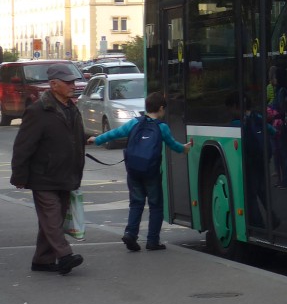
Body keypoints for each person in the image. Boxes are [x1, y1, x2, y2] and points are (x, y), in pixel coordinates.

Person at [89, 90, 192, 251]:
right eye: (164, 108)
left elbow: (115, 133)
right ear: (160, 109)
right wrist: (184, 149)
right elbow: (173, 145)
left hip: (134, 171)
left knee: (136, 204)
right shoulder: (162, 127)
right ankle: (152, 241)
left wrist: (97, 139)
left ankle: (130, 233)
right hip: (151, 172)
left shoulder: (134, 123)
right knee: (156, 205)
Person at [10, 63, 86, 274]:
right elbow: (23, 146)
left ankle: (42, 260)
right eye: (68, 82)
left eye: (73, 81)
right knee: (52, 217)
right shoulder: (37, 111)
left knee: (54, 219)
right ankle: (65, 255)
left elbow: (75, 137)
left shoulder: (72, 108)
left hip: (66, 174)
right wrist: (19, 175)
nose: (73, 85)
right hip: (43, 176)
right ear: (54, 85)